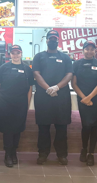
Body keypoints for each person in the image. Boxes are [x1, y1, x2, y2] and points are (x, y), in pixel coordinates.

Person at [33, 30, 73, 165]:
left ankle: (62, 154)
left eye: (55, 39)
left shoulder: (66, 57)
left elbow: (69, 74)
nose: (53, 41)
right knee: (43, 127)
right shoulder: (39, 56)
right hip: (43, 97)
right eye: (50, 39)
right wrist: (48, 88)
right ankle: (43, 154)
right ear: (47, 40)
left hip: (61, 97)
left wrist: (57, 87)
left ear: (58, 41)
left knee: (61, 128)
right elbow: (36, 74)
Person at [0, 45, 34, 168]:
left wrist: (27, 104)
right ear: (10, 54)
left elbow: (30, 89)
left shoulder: (27, 69)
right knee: (7, 130)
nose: (15, 55)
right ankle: (7, 154)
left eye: (17, 53)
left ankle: (14, 153)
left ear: (21, 53)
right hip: (6, 103)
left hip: (20, 104)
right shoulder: (4, 68)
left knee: (17, 129)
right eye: (13, 53)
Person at [71, 41, 97, 166]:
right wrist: (84, 97)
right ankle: (84, 149)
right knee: (86, 125)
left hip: (95, 99)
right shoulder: (77, 64)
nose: (89, 51)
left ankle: (91, 153)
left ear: (95, 51)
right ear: (83, 50)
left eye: (92, 49)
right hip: (82, 98)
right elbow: (73, 83)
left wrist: (89, 97)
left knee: (94, 126)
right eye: (87, 49)